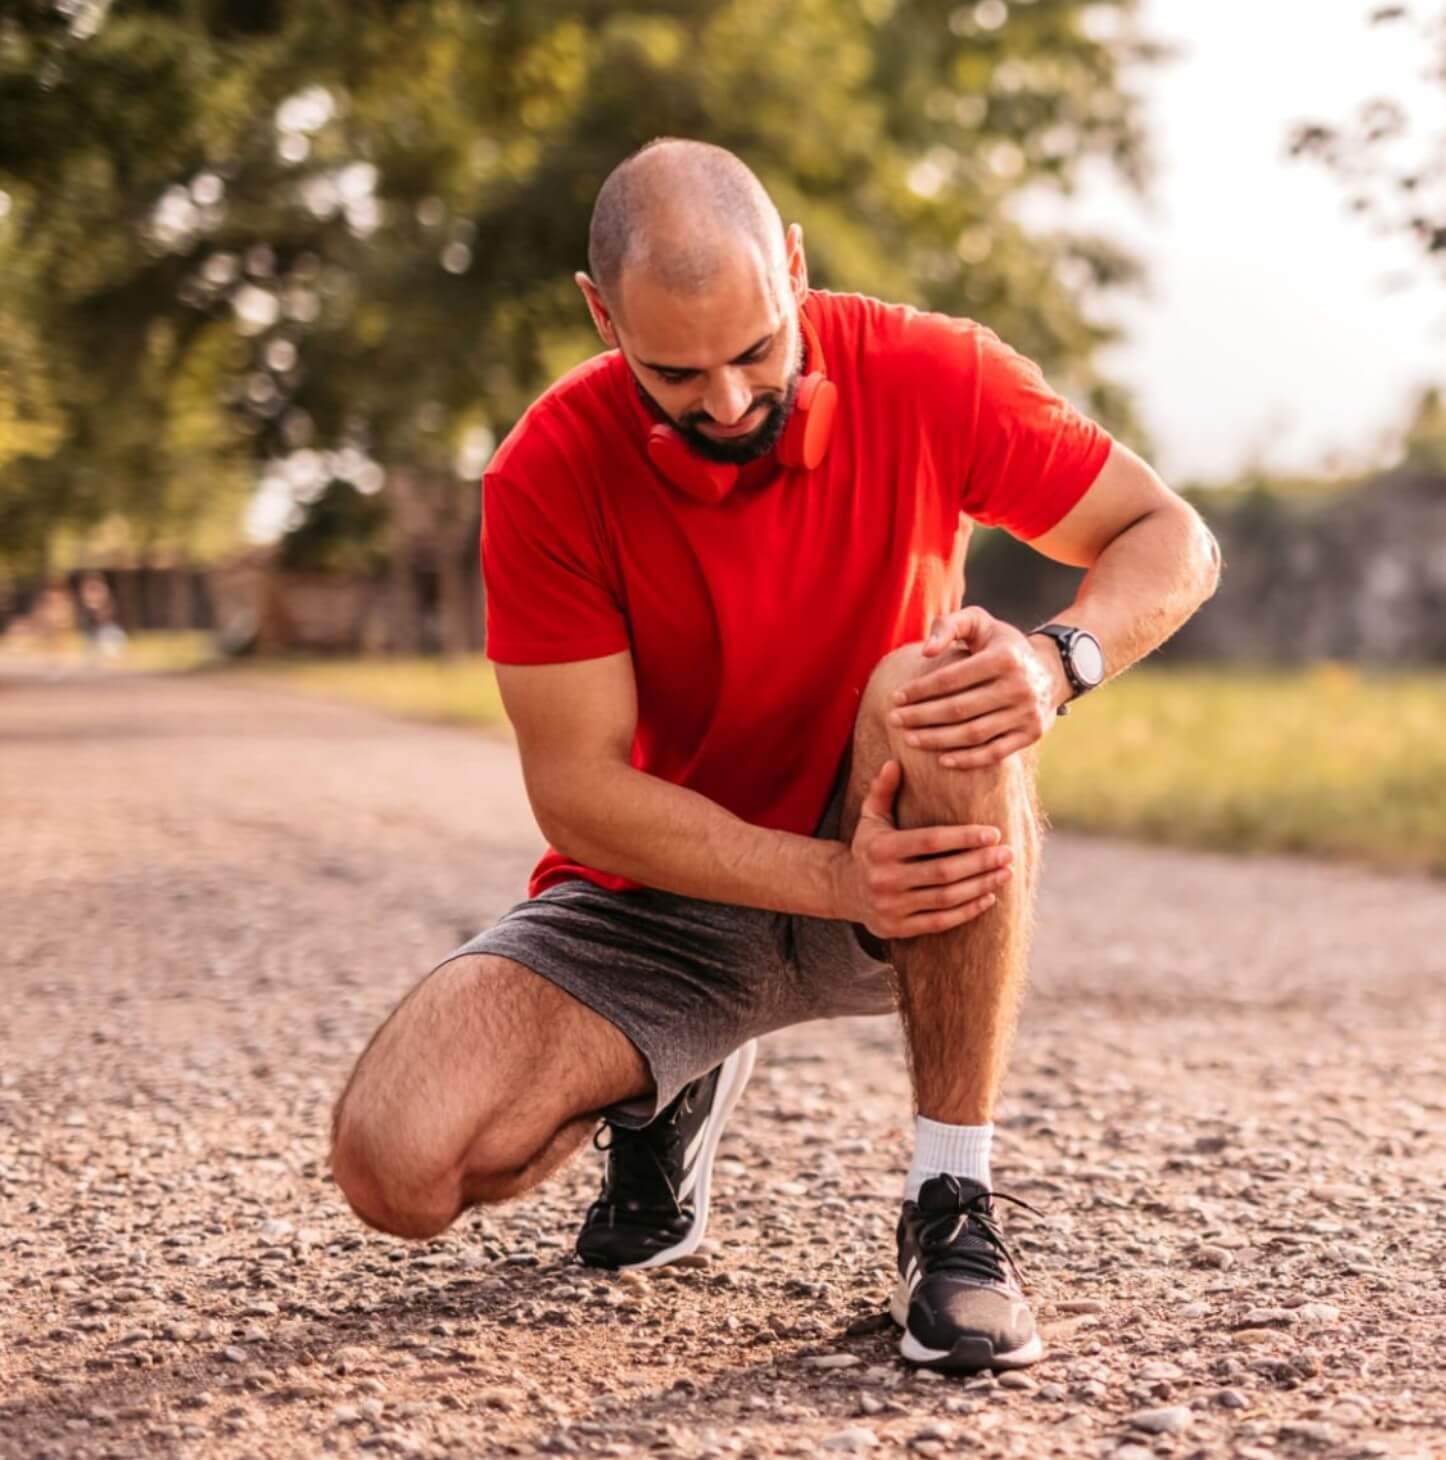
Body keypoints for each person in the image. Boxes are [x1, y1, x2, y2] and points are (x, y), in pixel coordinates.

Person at [331, 139, 1220, 1372]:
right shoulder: (546, 469)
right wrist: (821, 883)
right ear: (601, 318)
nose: (731, 402)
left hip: (898, 849)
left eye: (758, 349)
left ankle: (952, 1206)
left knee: (942, 681)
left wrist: (1055, 659)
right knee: (400, 1164)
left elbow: (1168, 534)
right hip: (669, 899)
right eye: (675, 371)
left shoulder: (931, 370)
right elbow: (580, 793)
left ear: (794, 267)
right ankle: (660, 1088)